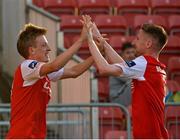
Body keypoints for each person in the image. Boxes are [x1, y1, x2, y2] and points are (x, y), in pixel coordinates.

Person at [6, 16, 98, 138]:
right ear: (32, 50)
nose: (49, 49)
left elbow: (74, 72)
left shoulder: (42, 71)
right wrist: (81, 40)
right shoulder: (27, 66)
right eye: (44, 45)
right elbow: (54, 66)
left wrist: (98, 53)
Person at [82, 15, 169, 138]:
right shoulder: (156, 68)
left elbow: (104, 68)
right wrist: (101, 39)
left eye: (138, 39)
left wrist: (90, 39)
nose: (134, 42)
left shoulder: (144, 63)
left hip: (148, 135)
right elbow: (122, 65)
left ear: (148, 43)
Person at [109, 42, 136, 107]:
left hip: (127, 97)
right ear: (122, 55)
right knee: (135, 82)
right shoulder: (118, 66)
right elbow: (130, 78)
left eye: (133, 52)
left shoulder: (135, 67)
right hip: (117, 100)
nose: (131, 55)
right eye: (128, 53)